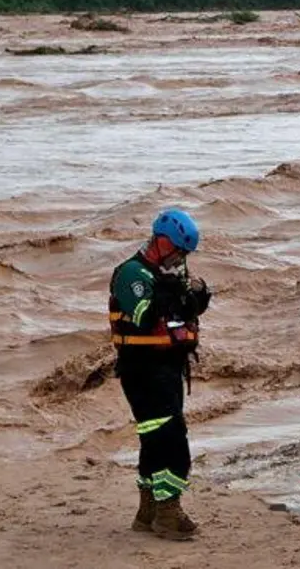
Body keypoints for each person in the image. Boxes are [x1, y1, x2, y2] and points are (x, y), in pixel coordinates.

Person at [108, 207, 211, 540]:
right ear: (163, 241)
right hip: (142, 369)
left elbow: (181, 311)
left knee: (154, 439)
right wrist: (171, 295)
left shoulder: (170, 276)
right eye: (179, 250)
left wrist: (193, 298)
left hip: (167, 367)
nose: (181, 258)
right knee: (170, 438)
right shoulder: (131, 275)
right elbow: (144, 315)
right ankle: (168, 512)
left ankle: (148, 511)